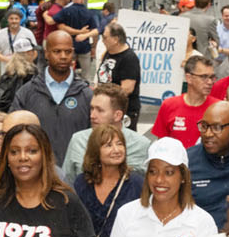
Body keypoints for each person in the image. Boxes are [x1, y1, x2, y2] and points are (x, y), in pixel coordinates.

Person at [9, 30, 92, 165]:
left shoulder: (86, 94)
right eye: (57, 51)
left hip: (76, 175)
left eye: (68, 51)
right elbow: (13, 134)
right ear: (47, 53)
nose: (63, 56)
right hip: (37, 174)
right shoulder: (27, 93)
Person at [73, 123, 143, 237]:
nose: (116, 150)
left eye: (120, 143)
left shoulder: (136, 184)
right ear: (95, 151)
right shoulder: (82, 183)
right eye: (108, 145)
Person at [61, 84, 150, 182]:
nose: (92, 115)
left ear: (117, 115)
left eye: (100, 110)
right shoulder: (78, 140)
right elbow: (67, 182)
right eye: (92, 108)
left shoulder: (141, 145)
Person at [96, 22, 141, 128]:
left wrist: (105, 96)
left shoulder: (129, 58)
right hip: (107, 107)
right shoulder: (108, 53)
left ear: (116, 39)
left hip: (122, 111)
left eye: (105, 37)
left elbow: (127, 89)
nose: (102, 41)